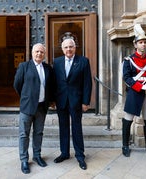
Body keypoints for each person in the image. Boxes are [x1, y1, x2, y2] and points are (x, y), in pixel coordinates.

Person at [122, 24, 146, 158]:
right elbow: (126, 78)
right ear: (135, 44)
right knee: (128, 119)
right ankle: (125, 145)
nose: (143, 45)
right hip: (134, 93)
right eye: (141, 42)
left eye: (145, 42)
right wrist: (140, 86)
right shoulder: (128, 60)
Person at [13, 43, 54, 174]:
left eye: (42, 52)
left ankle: (37, 156)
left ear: (44, 54)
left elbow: (51, 86)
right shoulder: (24, 66)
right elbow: (17, 84)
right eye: (37, 51)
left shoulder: (48, 68)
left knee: (38, 132)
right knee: (24, 134)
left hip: (42, 107)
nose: (39, 54)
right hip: (27, 107)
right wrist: (26, 97)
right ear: (32, 53)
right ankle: (24, 160)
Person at [53, 38, 92, 170]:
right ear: (62, 49)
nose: (69, 49)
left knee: (77, 128)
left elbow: (87, 83)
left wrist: (85, 102)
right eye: (66, 47)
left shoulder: (83, 61)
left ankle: (80, 155)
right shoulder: (57, 62)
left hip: (76, 101)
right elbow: (54, 83)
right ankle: (64, 153)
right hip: (61, 101)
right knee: (63, 127)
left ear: (75, 48)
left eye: (71, 47)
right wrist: (53, 100)